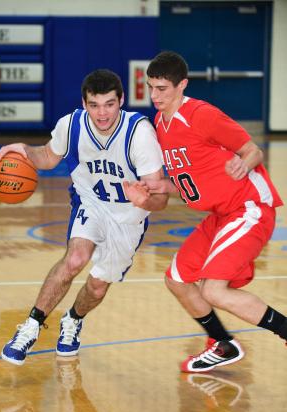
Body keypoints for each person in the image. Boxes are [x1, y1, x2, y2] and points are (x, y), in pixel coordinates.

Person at [0, 69, 167, 366]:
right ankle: (31, 326)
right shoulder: (71, 125)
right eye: (94, 105)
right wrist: (23, 150)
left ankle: (73, 320)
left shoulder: (140, 134)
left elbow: (161, 199)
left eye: (109, 104)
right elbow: (47, 156)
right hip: (91, 202)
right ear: (84, 103)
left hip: (129, 217)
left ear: (121, 100)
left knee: (97, 285)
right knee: (75, 259)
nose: (102, 113)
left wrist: (145, 199)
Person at [123, 51, 287, 373]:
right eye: (151, 88)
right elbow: (189, 180)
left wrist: (245, 163)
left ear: (182, 85)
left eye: (162, 89)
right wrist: (156, 188)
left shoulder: (201, 114)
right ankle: (221, 343)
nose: (155, 96)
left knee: (213, 289)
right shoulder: (161, 123)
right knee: (177, 279)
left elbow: (254, 149)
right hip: (220, 215)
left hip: (249, 208)